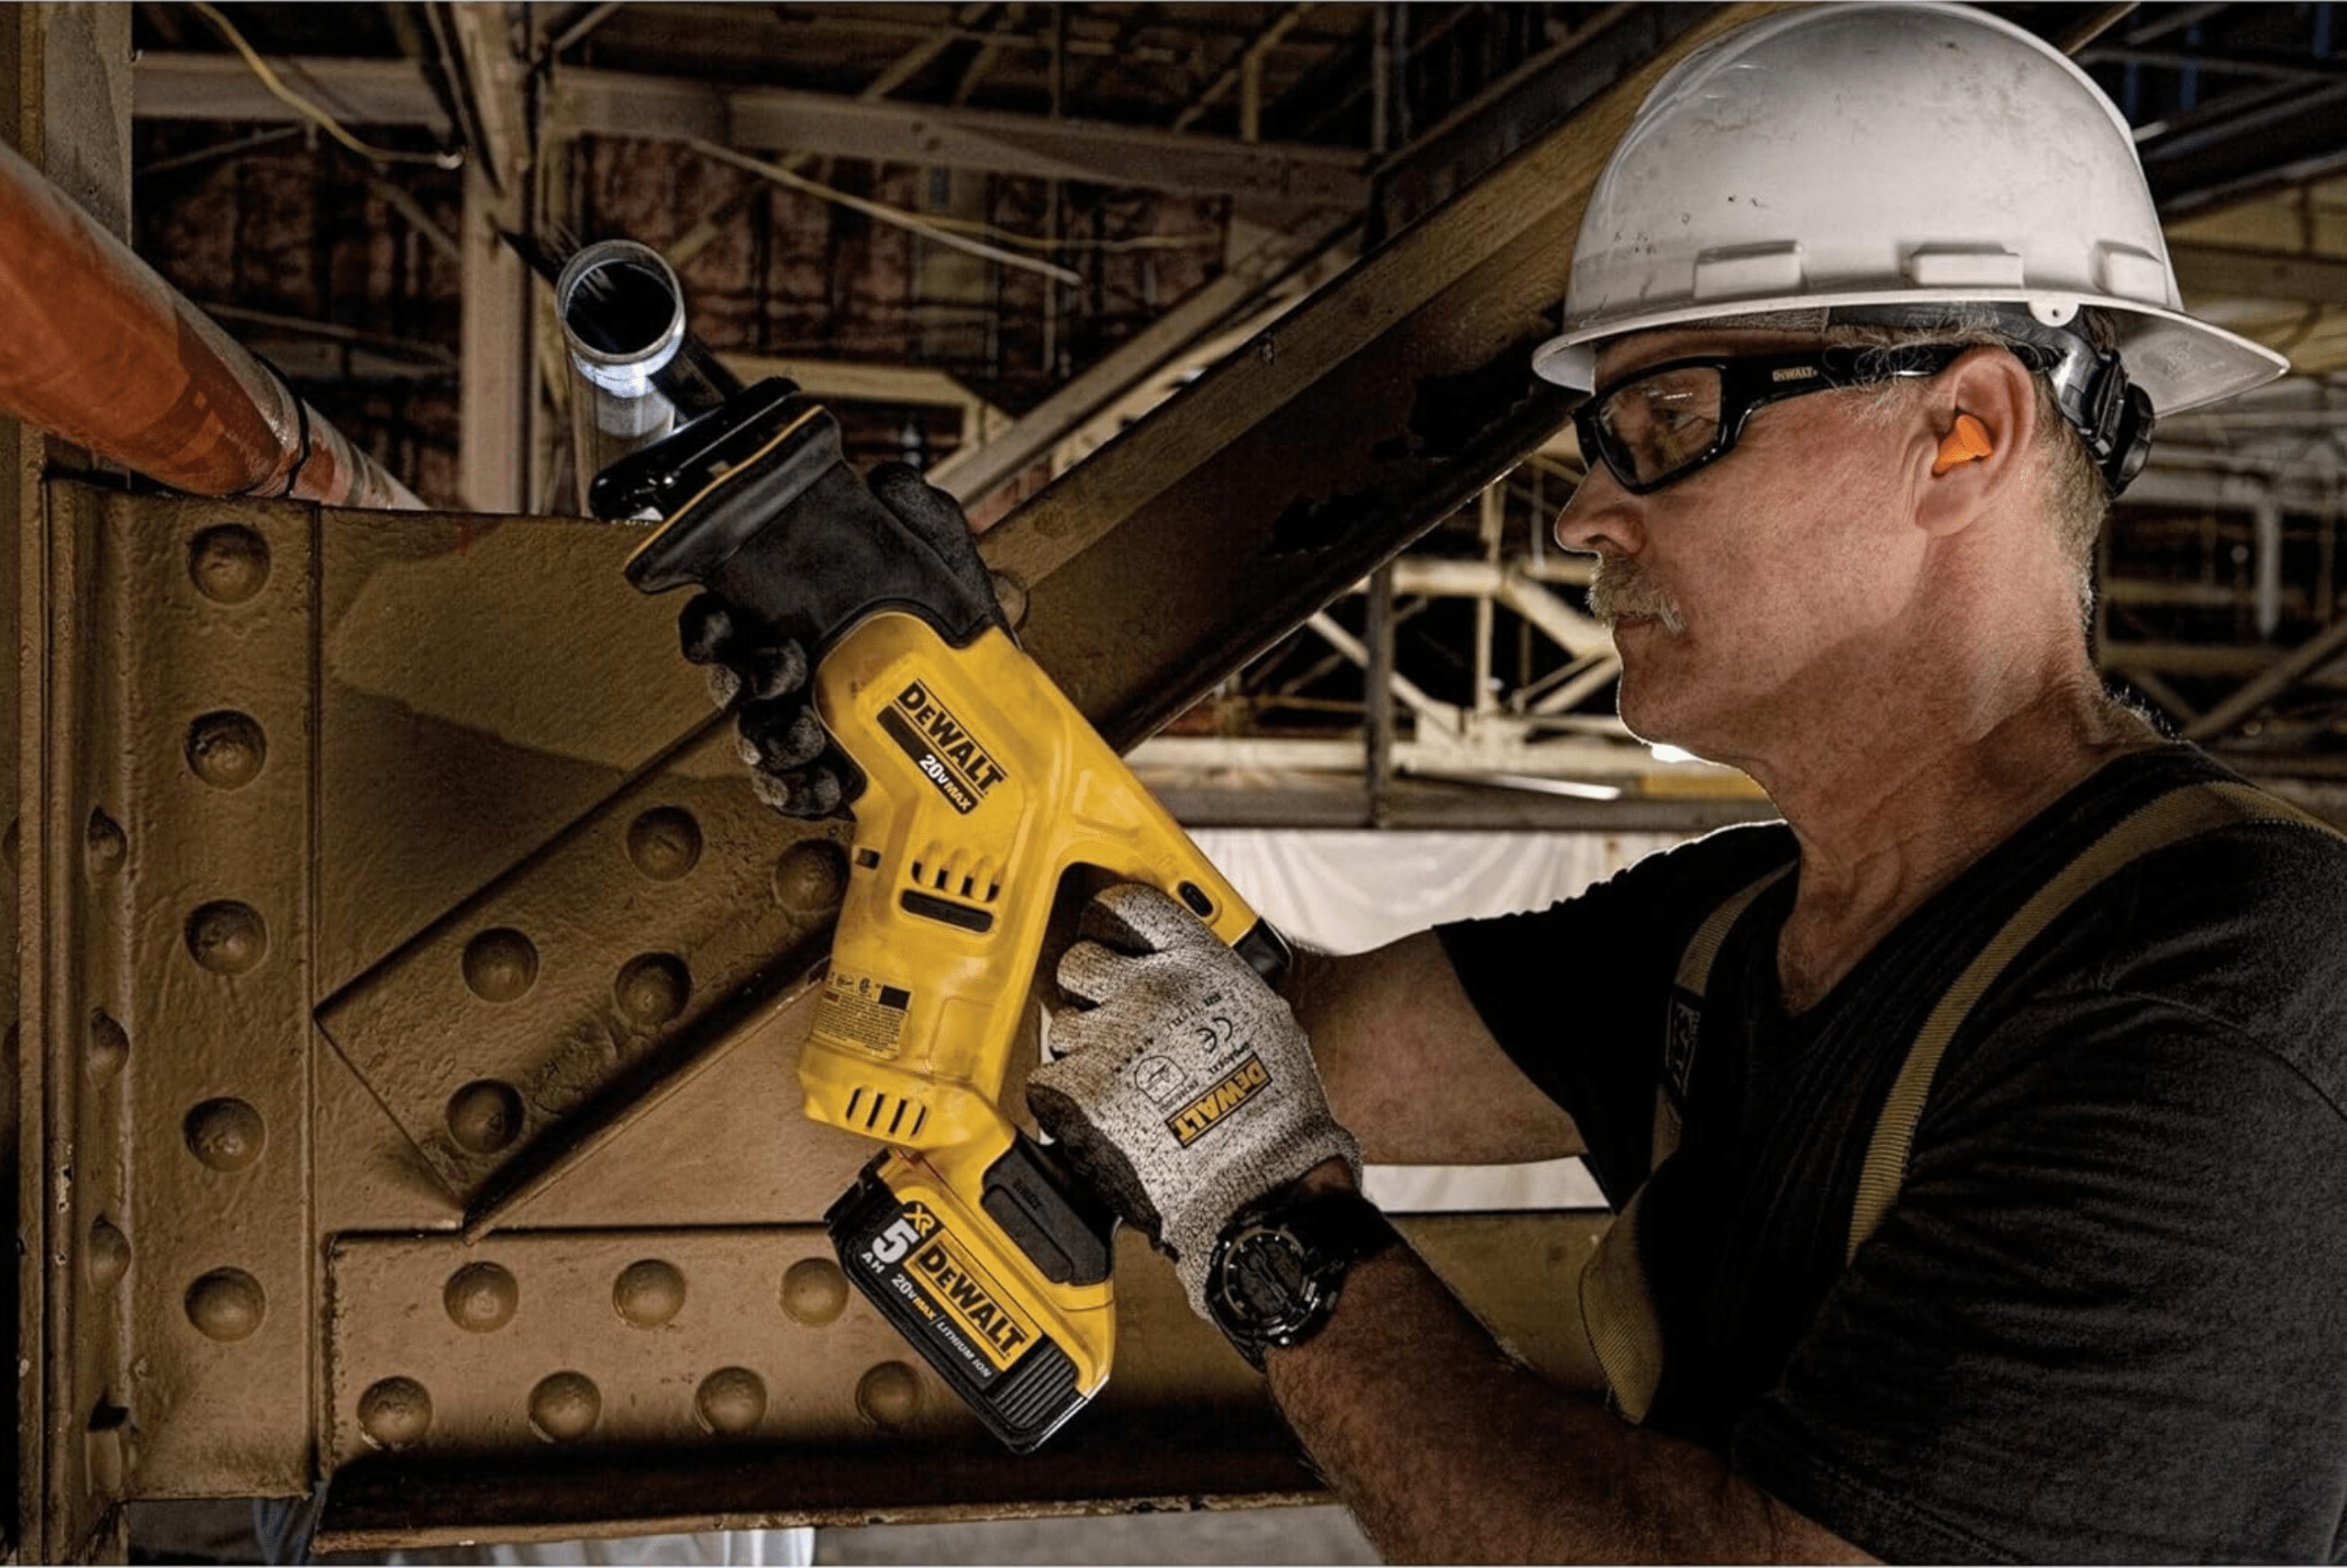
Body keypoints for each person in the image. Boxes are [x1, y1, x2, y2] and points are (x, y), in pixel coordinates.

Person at [690, 6, 2347, 1561]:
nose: (1583, 517)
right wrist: (938, 743)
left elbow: (1248, 1128)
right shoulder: (1730, 932)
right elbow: (1228, 1031)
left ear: (1965, 433)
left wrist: (1274, 1227)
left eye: (1671, 418)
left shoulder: (2218, 992)